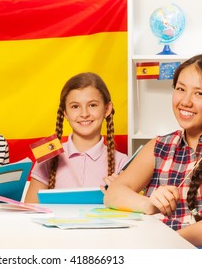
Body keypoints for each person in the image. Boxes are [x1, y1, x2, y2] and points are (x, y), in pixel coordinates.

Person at [104, 53, 202, 248]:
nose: (185, 101)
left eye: (199, 93)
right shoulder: (159, 146)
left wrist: (165, 242)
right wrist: (150, 204)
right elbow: (113, 193)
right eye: (181, 89)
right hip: (168, 252)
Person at [25, 72, 128, 203]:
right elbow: (29, 213)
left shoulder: (122, 163)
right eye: (75, 106)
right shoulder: (48, 156)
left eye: (92, 105)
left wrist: (118, 195)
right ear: (65, 113)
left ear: (107, 109)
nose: (84, 114)